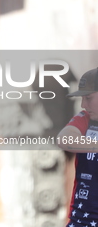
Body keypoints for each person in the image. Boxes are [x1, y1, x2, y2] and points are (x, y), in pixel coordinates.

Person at [57, 67, 98, 227]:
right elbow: (64, 139)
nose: (83, 104)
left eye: (88, 98)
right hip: (81, 221)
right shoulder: (84, 118)